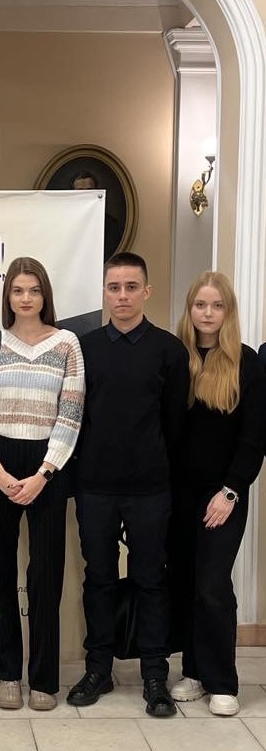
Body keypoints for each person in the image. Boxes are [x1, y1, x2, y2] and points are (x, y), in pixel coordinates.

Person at [67, 252, 189, 717]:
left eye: (131, 287)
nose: (122, 296)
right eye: (114, 287)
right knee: (98, 578)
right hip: (95, 486)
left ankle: (155, 675)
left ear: (146, 292)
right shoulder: (84, 349)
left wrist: (160, 474)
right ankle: (98, 668)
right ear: (104, 292)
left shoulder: (169, 350)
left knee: (150, 580)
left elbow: (175, 424)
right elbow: (75, 419)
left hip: (151, 489)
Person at [0, 257, 85, 711]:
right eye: (18, 290)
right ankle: (7, 673)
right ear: (8, 296)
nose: (26, 298)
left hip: (49, 465)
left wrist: (44, 474)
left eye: (34, 290)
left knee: (46, 575)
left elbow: (70, 415)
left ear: (45, 295)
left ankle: (44, 679)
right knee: (1, 571)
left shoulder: (67, 344)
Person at [168, 271, 266, 716]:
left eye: (216, 305)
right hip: (177, 493)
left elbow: (254, 437)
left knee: (212, 585)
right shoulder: (176, 359)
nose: (207, 313)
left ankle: (223, 681)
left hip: (223, 494)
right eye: (200, 305)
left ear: (228, 311)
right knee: (186, 581)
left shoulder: (246, 363)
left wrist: (230, 492)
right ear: (189, 310)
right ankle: (193, 672)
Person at [71, 170, 122, 261]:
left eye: (89, 191)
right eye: (80, 191)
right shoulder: (65, 223)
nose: (86, 195)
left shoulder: (111, 225)